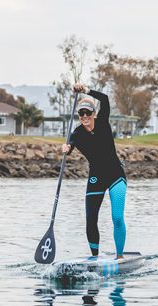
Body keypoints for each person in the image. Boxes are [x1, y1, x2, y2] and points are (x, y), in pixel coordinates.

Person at [62, 84, 127, 259]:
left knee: (117, 218)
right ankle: (95, 258)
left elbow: (104, 99)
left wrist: (86, 91)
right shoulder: (76, 133)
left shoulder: (103, 123)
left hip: (116, 176)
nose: (84, 116)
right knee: (91, 220)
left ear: (93, 114)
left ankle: (119, 256)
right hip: (96, 178)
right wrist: (66, 148)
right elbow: (69, 147)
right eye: (81, 113)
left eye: (87, 113)